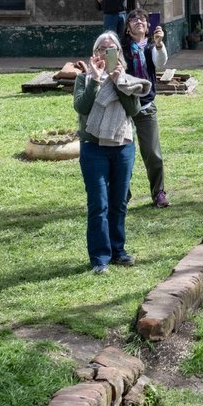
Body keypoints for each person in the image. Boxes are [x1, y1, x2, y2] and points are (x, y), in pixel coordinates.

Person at [73, 31, 151, 273]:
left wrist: (118, 83)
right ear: (94, 53)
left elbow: (134, 110)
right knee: (99, 204)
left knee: (119, 203)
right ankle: (99, 258)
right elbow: (82, 107)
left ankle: (118, 250)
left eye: (111, 49)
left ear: (118, 54)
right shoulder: (84, 79)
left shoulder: (126, 79)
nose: (105, 53)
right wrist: (95, 80)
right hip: (93, 148)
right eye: (101, 49)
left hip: (122, 146)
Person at [122, 10, 169, 208]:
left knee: (153, 153)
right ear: (127, 27)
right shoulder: (121, 48)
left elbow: (160, 64)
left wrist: (159, 44)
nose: (138, 22)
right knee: (124, 154)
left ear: (148, 27)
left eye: (142, 19)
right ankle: (122, 195)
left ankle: (158, 193)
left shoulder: (152, 46)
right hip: (123, 108)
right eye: (133, 19)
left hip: (146, 106)